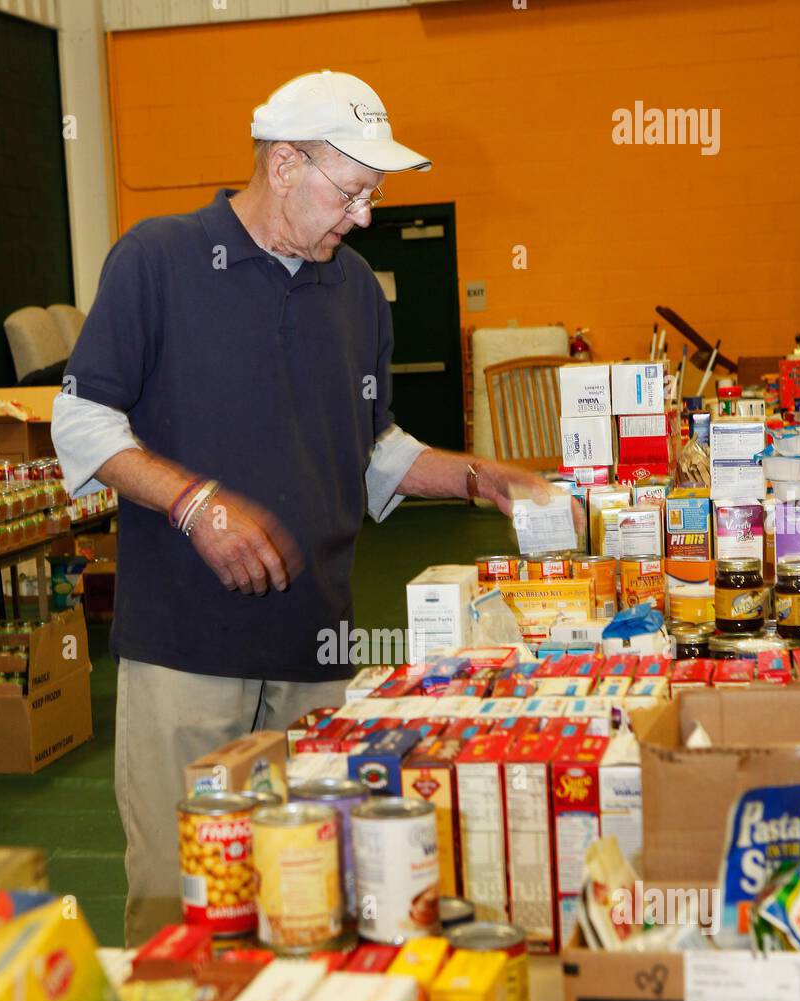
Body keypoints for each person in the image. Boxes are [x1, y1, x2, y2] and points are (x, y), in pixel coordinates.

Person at [52, 69, 562, 946]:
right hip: (185, 646)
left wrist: (487, 478)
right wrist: (196, 505)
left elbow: (369, 451)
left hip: (317, 648)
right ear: (283, 164)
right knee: (185, 899)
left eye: (372, 196)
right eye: (352, 191)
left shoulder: (355, 288)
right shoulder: (158, 259)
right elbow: (84, 416)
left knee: (315, 893)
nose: (363, 216)